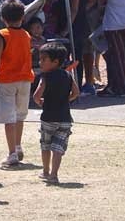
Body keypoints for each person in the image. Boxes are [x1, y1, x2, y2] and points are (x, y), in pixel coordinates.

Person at [0, 0, 34, 167]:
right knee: (19, 116)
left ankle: (12, 154)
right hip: (24, 79)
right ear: (22, 17)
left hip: (7, 80)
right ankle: (17, 146)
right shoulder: (26, 35)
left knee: (9, 118)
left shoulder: (3, 34)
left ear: (3, 18)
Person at [33, 42, 79, 185]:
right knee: (58, 148)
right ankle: (54, 174)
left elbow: (36, 96)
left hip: (48, 118)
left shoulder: (45, 77)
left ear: (55, 62)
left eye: (43, 60)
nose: (40, 63)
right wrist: (66, 99)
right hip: (65, 118)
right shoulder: (68, 75)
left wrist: (41, 102)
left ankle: (46, 171)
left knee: (45, 145)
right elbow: (76, 92)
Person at [66, 0, 96, 96]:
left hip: (77, 26)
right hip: (84, 24)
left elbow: (74, 9)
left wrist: (67, 28)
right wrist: (86, 9)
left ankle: (75, 85)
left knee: (76, 55)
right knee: (80, 55)